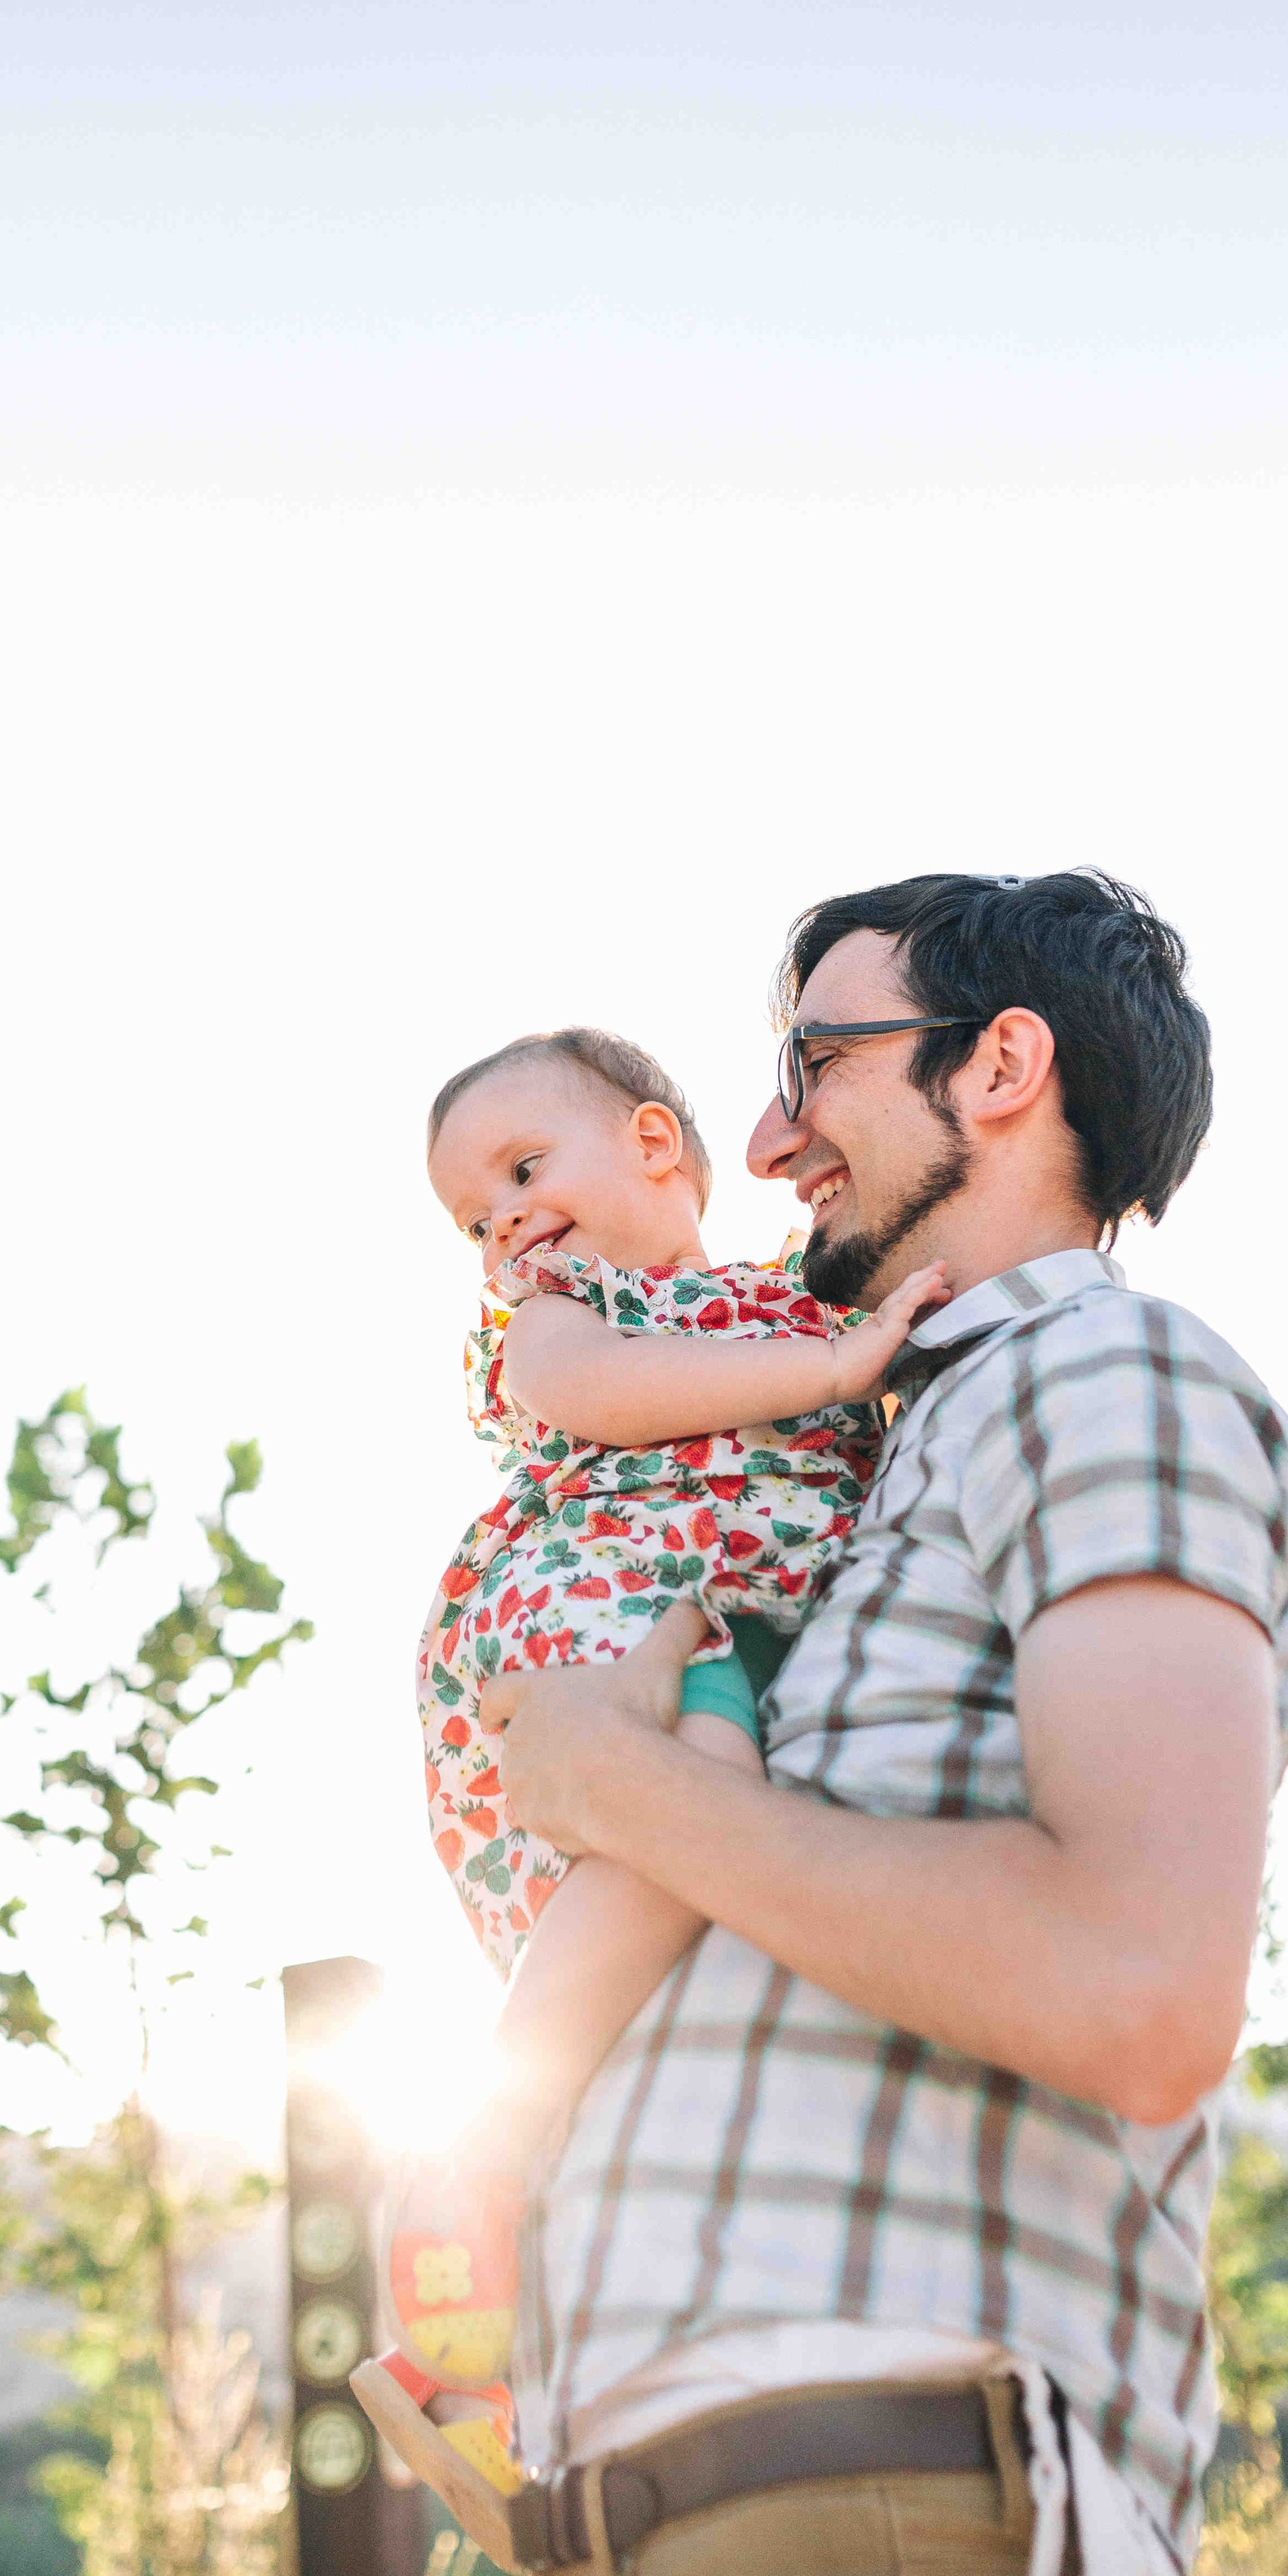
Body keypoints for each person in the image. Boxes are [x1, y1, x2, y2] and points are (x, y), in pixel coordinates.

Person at [464, 869, 1288, 2576]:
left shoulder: (1109, 1381)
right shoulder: (868, 1469)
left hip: (877, 2531)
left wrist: (619, 1783)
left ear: (1001, 1067)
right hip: (650, 2574)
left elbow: (1140, 1990)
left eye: (814, 1064)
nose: (767, 1140)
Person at [380, 1028, 949, 2481]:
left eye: (519, 1170)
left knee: (699, 1869)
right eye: (469, 1217)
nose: (499, 1223)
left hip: (723, 1634)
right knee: (673, 1817)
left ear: (651, 1146)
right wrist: (823, 1367)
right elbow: (584, 1395)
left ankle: (498, 2349)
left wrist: (847, 1352)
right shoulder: (570, 1308)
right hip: (596, 1626)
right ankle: (477, 2150)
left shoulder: (797, 1296)